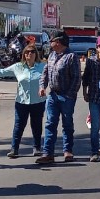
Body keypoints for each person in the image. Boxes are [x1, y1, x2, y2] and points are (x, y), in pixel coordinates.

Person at [0, 44, 47, 158]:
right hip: (21, 102)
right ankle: (14, 149)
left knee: (36, 125)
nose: (29, 54)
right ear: (23, 55)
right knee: (19, 126)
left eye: (32, 52)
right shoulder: (18, 67)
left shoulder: (42, 67)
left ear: (36, 54)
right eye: (27, 52)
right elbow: (0, 73)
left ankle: (37, 148)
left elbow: (52, 76)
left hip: (38, 101)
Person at [37, 31, 81, 164]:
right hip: (53, 95)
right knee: (50, 124)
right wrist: (42, 87)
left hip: (66, 96)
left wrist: (70, 95)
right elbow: (45, 73)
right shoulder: (51, 56)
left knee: (67, 124)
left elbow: (76, 78)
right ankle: (48, 153)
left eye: (52, 41)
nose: (50, 44)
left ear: (59, 42)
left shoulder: (71, 57)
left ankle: (68, 151)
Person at [82, 36, 100, 162]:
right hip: (94, 97)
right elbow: (86, 79)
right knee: (94, 126)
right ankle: (94, 152)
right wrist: (84, 92)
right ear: (97, 47)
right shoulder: (90, 61)